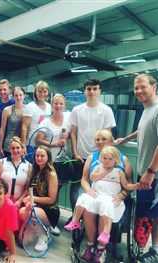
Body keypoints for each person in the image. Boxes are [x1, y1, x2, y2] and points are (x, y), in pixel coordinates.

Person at [75, 130, 134, 263]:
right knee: (88, 209)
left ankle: (101, 248)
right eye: (97, 139)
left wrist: (122, 195)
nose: (100, 142)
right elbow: (84, 179)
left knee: (104, 209)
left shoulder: (123, 159)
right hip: (96, 194)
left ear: (112, 141)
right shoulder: (91, 158)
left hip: (113, 197)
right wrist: (88, 189)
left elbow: (129, 183)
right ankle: (90, 245)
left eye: (104, 139)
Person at [118, 74, 158, 261]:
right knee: (151, 213)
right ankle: (153, 250)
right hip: (147, 172)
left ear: (154, 87)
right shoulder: (147, 110)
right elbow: (143, 130)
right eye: (136, 88)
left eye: (143, 87)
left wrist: (150, 172)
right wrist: (126, 139)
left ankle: (145, 254)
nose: (139, 91)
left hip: (153, 175)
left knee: (146, 215)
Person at [64, 146, 138, 245]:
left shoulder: (119, 172)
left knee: (107, 205)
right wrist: (105, 171)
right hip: (97, 196)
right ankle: (75, 221)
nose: (106, 161)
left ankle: (106, 233)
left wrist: (135, 186)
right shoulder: (98, 168)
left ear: (115, 160)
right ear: (100, 159)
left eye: (110, 159)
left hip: (109, 198)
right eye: (104, 158)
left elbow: (126, 185)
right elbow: (92, 177)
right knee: (82, 198)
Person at [68, 78, 116, 211]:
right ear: (84, 91)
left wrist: (103, 156)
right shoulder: (77, 110)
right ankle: (75, 218)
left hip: (99, 158)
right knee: (76, 188)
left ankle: (93, 217)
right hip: (80, 157)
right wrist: (75, 153)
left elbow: (107, 136)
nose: (92, 92)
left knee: (97, 188)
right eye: (89, 89)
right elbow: (73, 133)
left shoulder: (106, 110)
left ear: (99, 91)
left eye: (95, 89)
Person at [35, 93, 70, 236]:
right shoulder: (45, 122)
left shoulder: (69, 118)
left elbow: (73, 133)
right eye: (55, 103)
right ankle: (48, 221)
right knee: (47, 193)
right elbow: (38, 141)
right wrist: (55, 143)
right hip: (49, 162)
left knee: (56, 192)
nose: (58, 106)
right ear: (52, 104)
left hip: (63, 161)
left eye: (61, 103)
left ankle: (51, 220)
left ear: (65, 105)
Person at [18, 145, 60, 252]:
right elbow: (28, 190)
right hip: (34, 207)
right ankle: (38, 227)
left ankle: (44, 234)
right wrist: (24, 200)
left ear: (48, 157)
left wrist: (32, 199)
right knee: (22, 241)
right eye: (37, 155)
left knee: (23, 212)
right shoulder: (33, 169)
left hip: (49, 211)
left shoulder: (52, 174)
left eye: (42, 156)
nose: (39, 158)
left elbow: (51, 199)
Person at [0, 136, 31, 208]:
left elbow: (28, 188)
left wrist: (19, 201)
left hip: (19, 204)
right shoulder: (1, 162)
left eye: (18, 148)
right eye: (13, 148)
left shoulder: (29, 166)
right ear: (9, 149)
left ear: (22, 148)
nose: (15, 150)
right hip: (1, 201)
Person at [21, 80, 52, 155]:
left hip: (45, 144)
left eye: (45, 91)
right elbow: (24, 127)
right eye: (40, 91)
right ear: (35, 92)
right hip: (32, 145)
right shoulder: (30, 106)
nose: (42, 94)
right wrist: (23, 145)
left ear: (48, 93)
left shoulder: (49, 106)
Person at [0, 86, 26, 158]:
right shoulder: (7, 110)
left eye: (20, 95)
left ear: (24, 96)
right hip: (9, 146)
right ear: (13, 97)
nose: (18, 97)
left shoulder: (28, 110)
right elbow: (2, 129)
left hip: (22, 146)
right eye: (16, 95)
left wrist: (24, 145)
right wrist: (0, 146)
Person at [0, 79, 15, 148]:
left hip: (13, 140)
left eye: (5, 89)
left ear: (9, 90)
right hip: (0, 140)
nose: (2, 92)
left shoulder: (15, 102)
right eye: (0, 89)